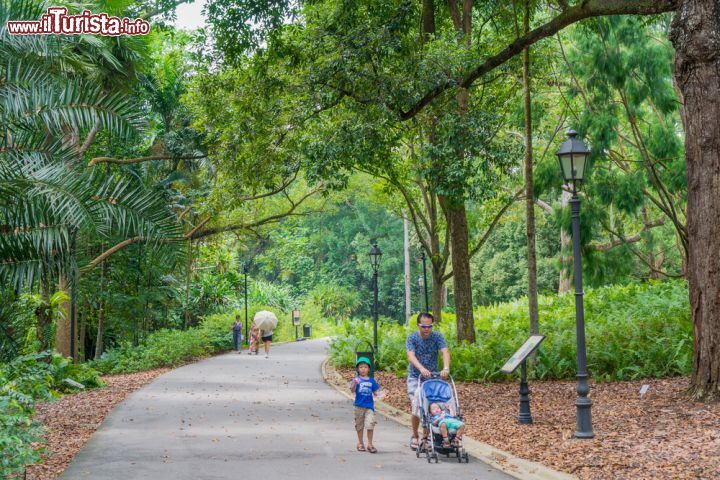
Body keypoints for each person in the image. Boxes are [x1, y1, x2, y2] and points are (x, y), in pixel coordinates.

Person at [406, 312, 450, 451]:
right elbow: (410, 355)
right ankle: (415, 435)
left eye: (429, 326)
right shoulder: (412, 337)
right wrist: (420, 368)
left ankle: (426, 437)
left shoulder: (437, 336)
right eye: (423, 326)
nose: (426, 329)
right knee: (417, 407)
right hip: (416, 376)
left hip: (432, 377)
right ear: (418, 325)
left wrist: (446, 368)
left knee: (431, 407)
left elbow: (445, 352)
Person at [350, 356, 381, 454]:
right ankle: (360, 443)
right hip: (358, 406)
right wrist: (354, 384)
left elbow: (376, 392)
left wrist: (382, 395)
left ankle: (370, 444)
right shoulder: (356, 379)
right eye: (361, 367)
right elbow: (352, 390)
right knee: (359, 426)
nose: (363, 369)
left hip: (369, 407)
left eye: (365, 367)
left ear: (368, 369)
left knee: (370, 424)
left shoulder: (371, 380)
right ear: (358, 369)